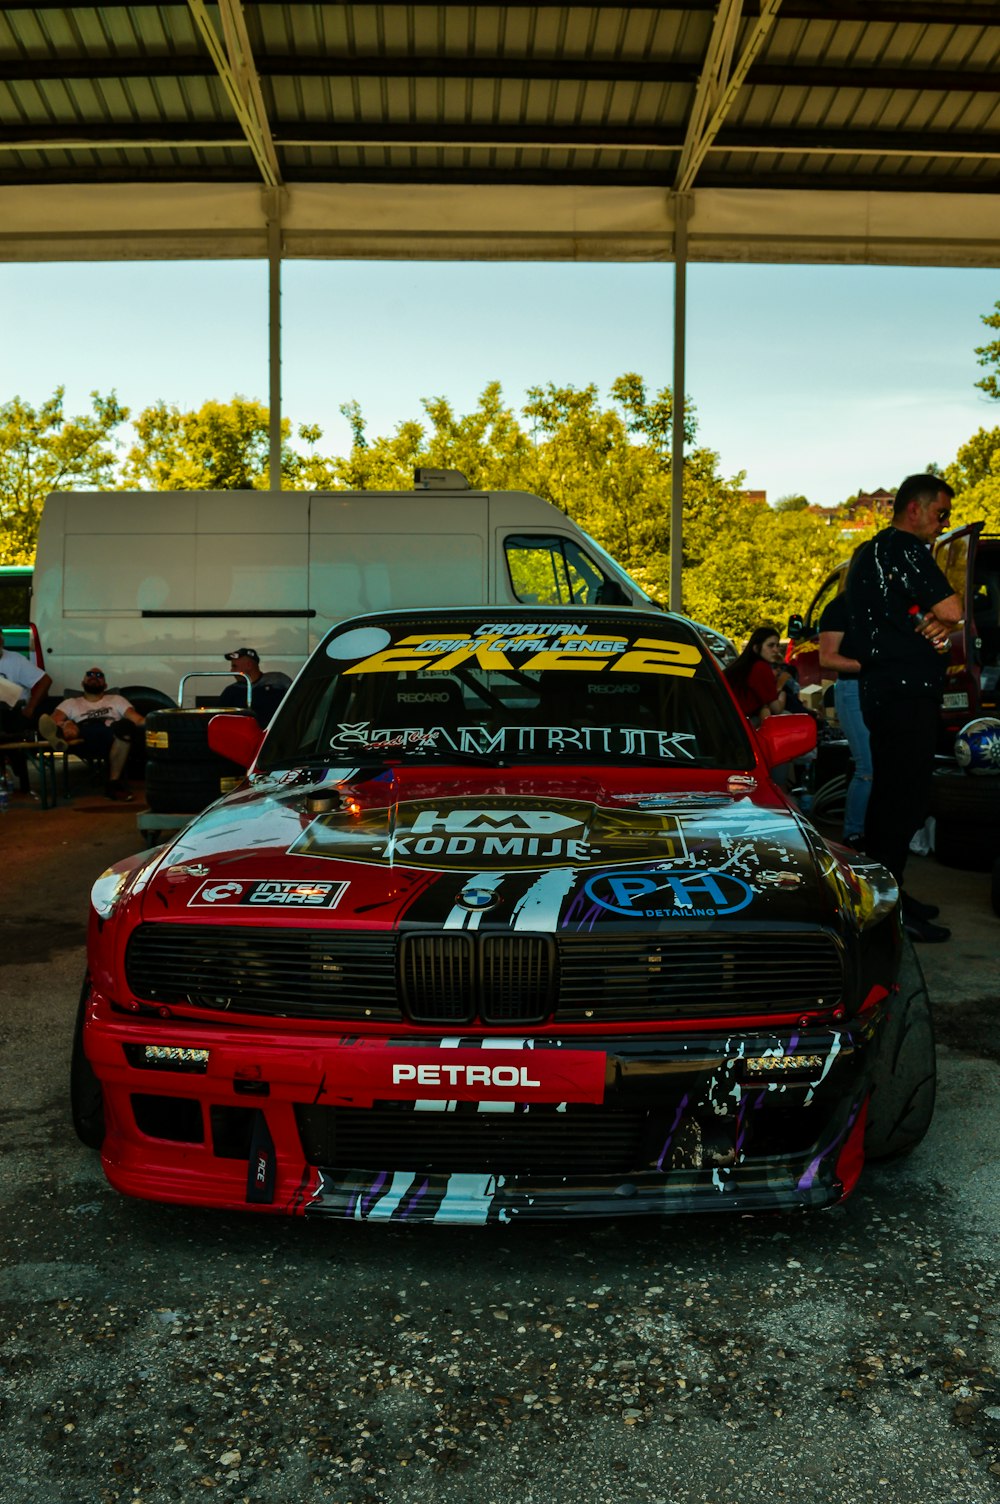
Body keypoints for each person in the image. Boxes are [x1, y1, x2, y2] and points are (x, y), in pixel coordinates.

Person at [845, 473, 964, 943]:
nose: (943, 524)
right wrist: (941, 619)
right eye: (941, 514)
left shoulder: (868, 553)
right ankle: (887, 911)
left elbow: (923, 616)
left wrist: (928, 620)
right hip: (904, 693)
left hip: (882, 690)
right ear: (914, 509)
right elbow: (954, 610)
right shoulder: (905, 547)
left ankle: (889, 894)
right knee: (902, 803)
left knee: (890, 800)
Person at [818, 558, 871, 850]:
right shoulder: (840, 607)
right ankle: (854, 834)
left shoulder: (883, 606)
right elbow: (827, 658)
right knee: (868, 767)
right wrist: (874, 666)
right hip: (853, 689)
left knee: (879, 766)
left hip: (879, 690)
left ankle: (869, 830)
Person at [39, 668, 145, 802]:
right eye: (89, 674)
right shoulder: (71, 702)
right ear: (82, 682)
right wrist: (63, 724)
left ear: (105, 685)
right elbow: (51, 721)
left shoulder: (116, 699)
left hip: (113, 736)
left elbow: (137, 719)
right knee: (70, 726)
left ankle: (113, 785)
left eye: (99, 675)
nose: (94, 676)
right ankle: (65, 734)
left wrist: (156, 721)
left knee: (126, 727)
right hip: (84, 738)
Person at [0, 629, 53, 795]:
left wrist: (31, 707)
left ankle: (13, 763)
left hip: (15, 713)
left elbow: (45, 680)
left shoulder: (15, 660)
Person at [723, 626, 787, 726]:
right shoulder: (760, 667)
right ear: (756, 648)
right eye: (771, 646)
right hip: (740, 725)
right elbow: (777, 709)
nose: (776, 650)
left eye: (777, 645)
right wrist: (781, 691)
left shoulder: (743, 667)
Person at [219, 647, 291, 729]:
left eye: (234, 666)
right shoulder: (231, 691)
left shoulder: (278, 681)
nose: (232, 671)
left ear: (249, 665)